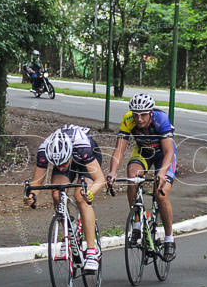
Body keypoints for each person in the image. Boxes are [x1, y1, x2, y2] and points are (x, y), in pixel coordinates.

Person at [24, 126, 106, 271]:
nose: (60, 168)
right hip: (63, 154)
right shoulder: (44, 150)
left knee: (81, 197)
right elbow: (37, 182)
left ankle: (92, 252)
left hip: (86, 160)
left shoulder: (83, 147)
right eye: (57, 165)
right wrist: (32, 196)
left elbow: (100, 179)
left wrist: (90, 193)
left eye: (63, 164)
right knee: (56, 193)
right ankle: (69, 229)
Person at [107, 93, 177, 261]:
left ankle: (169, 238)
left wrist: (161, 173)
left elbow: (169, 152)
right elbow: (119, 150)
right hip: (143, 152)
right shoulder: (128, 119)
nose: (139, 119)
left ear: (151, 113)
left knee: (161, 193)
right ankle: (137, 223)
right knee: (132, 176)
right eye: (136, 114)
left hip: (164, 156)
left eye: (143, 115)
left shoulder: (161, 119)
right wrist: (112, 172)